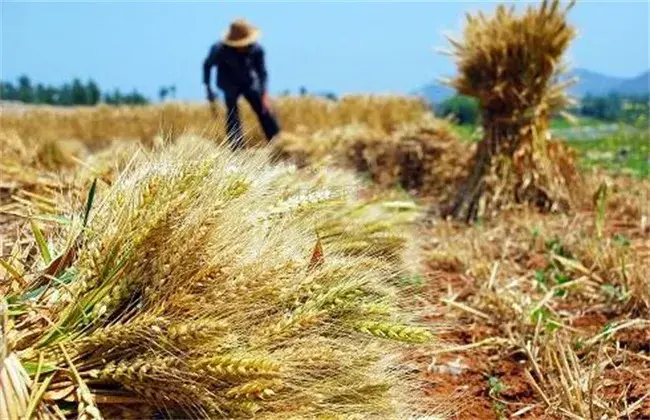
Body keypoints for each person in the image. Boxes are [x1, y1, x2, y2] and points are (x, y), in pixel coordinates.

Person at [203, 19, 281, 150]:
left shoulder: (257, 49)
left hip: (248, 81)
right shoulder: (219, 50)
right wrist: (208, 88)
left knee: (264, 110)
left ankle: (278, 143)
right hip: (228, 82)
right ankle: (237, 148)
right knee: (232, 114)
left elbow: (262, 72)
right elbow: (207, 65)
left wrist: (264, 94)